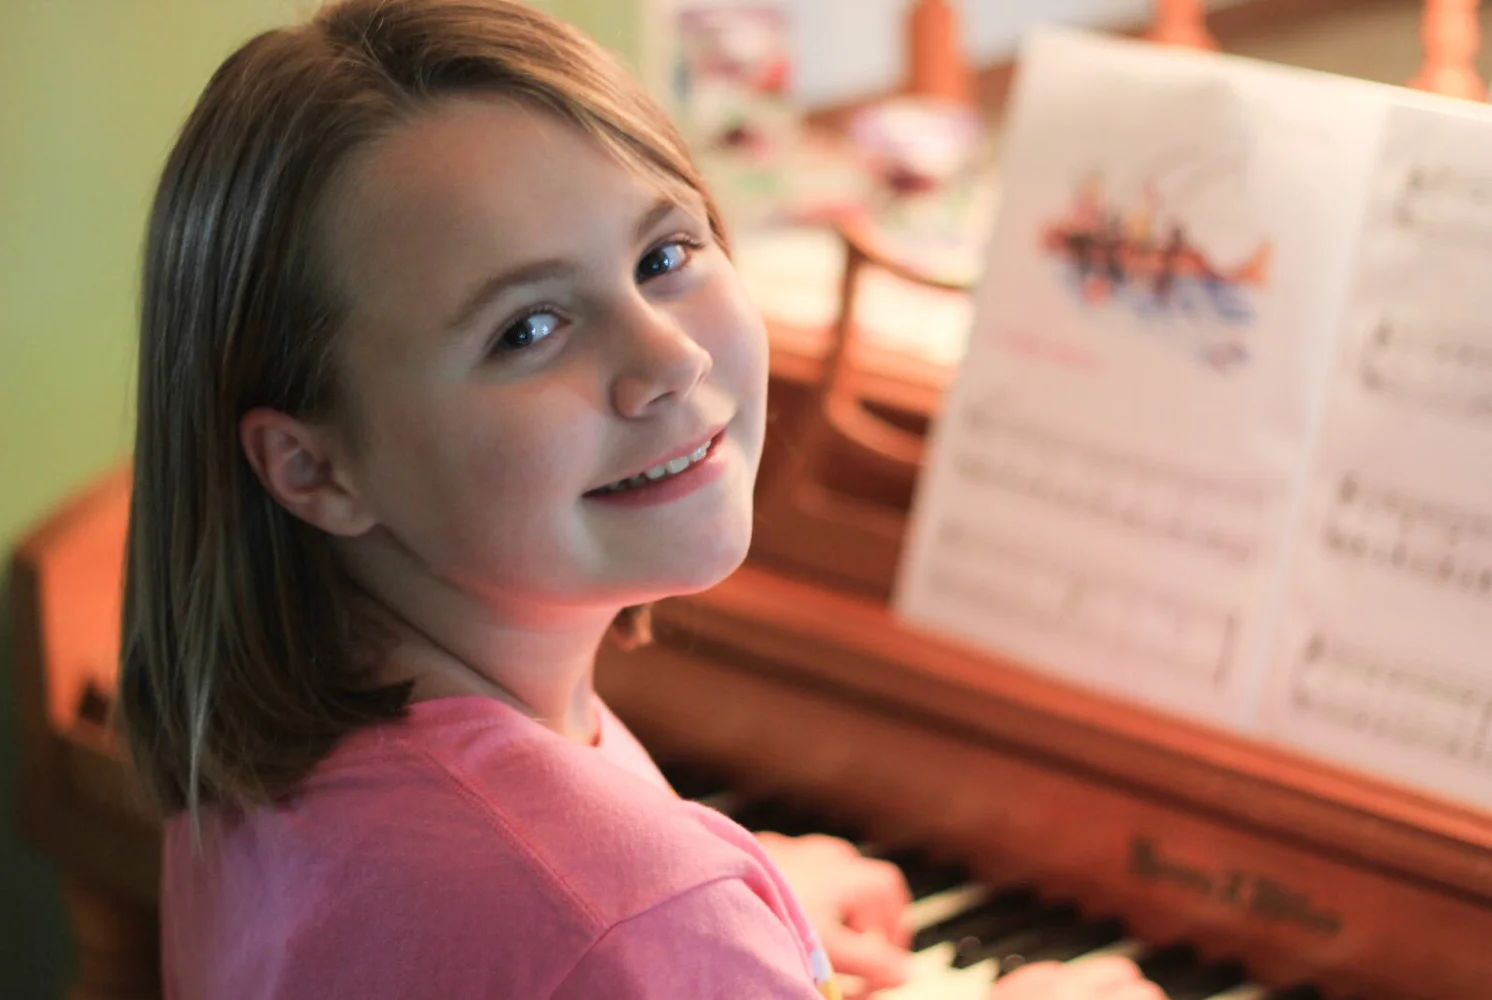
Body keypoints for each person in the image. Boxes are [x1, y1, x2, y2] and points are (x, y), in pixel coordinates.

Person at [116, 2, 1166, 998]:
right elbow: (592, 929)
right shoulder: (633, 922)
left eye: (664, 256)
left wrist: (738, 914)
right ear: (315, 468)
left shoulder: (263, 739)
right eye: (529, 329)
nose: (670, 358)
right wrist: (685, 931)